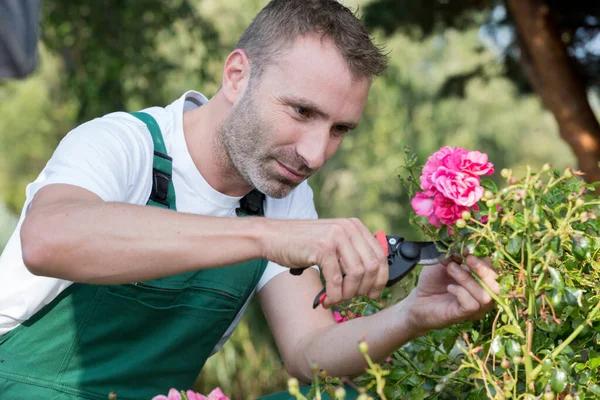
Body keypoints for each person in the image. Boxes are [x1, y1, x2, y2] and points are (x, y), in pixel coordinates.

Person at [0, 0, 500, 398]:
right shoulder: (125, 143)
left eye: (339, 129)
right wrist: (267, 236)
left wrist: (412, 314)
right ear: (237, 76)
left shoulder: (280, 194)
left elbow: (307, 351)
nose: (315, 153)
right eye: (302, 110)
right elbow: (47, 239)